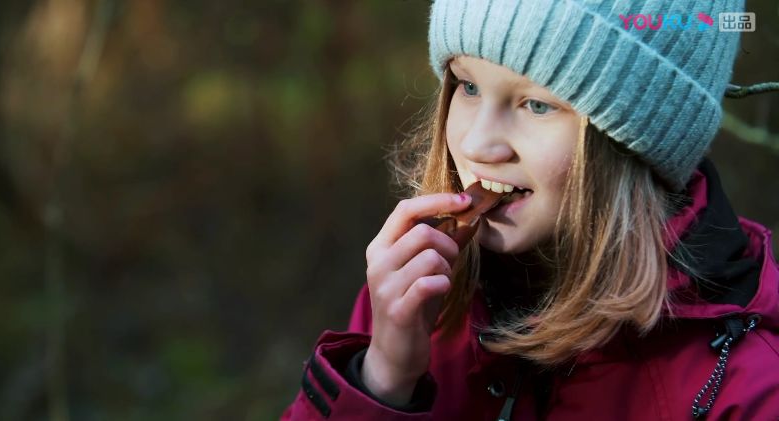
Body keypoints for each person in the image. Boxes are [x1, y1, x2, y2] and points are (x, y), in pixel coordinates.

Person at [281, 0, 778, 419]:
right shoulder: (417, 296)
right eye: (468, 86)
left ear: (637, 145)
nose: (478, 144)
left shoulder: (743, 389)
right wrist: (381, 378)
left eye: (537, 104)